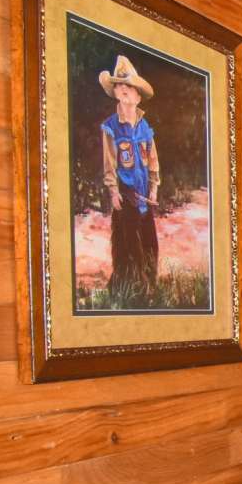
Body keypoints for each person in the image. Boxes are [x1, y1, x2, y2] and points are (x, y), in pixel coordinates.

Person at [99, 55, 161, 305]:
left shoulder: (145, 128)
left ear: (137, 96)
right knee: (128, 243)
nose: (124, 92)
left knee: (150, 244)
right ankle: (132, 288)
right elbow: (109, 162)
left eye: (130, 89)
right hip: (126, 194)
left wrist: (154, 187)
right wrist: (113, 191)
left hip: (144, 193)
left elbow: (153, 160)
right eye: (120, 88)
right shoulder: (111, 127)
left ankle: (151, 286)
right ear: (115, 93)